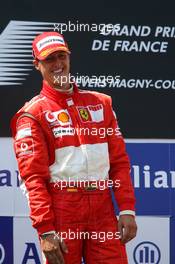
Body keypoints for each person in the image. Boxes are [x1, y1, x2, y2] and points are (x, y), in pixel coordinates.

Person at [11, 31, 137, 264]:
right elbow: (33, 179)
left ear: (69, 57)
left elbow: (119, 163)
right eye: (50, 59)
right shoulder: (32, 115)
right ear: (37, 65)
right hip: (63, 209)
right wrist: (45, 230)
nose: (58, 64)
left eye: (62, 56)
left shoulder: (101, 103)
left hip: (103, 207)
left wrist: (127, 209)